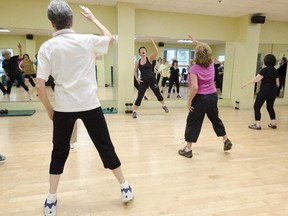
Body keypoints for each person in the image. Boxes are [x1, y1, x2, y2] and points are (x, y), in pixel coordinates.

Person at [36, 1, 133, 215]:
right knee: (105, 146)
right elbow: (110, 39)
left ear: (52, 23)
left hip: (63, 108)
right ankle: (124, 186)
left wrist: (49, 109)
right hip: (90, 105)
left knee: (59, 152)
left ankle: (51, 199)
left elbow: (39, 84)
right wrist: (93, 19)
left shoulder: (47, 47)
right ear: (72, 21)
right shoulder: (87, 40)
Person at [178, 35, 232, 158]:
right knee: (215, 118)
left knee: (193, 121)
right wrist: (197, 42)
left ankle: (188, 149)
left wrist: (189, 101)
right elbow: (205, 50)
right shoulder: (212, 63)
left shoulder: (194, 68)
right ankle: (226, 140)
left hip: (200, 98)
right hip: (213, 96)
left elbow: (195, 87)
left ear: (196, 55)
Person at [132, 40, 169, 118]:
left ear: (146, 52)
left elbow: (156, 51)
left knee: (157, 94)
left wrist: (152, 41)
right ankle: (134, 111)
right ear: (139, 53)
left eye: (144, 50)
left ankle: (164, 105)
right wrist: (137, 78)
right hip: (143, 81)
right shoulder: (137, 62)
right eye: (141, 50)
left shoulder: (149, 58)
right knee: (140, 96)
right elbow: (135, 71)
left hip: (152, 80)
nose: (143, 51)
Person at [241, 54, 279, 130]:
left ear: (265, 61)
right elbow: (277, 83)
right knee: (270, 107)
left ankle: (257, 125)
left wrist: (245, 84)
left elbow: (256, 79)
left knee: (257, 107)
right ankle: (273, 123)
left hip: (265, 90)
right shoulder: (275, 70)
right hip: (273, 90)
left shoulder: (264, 70)